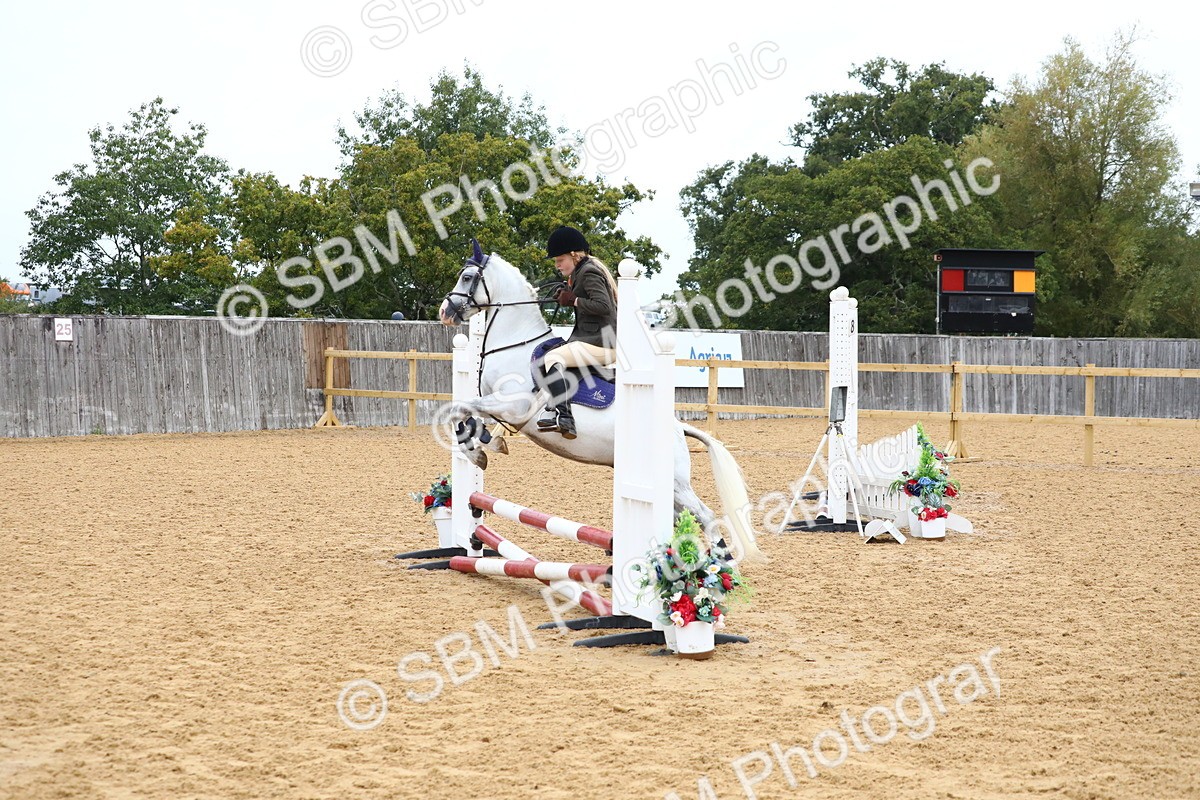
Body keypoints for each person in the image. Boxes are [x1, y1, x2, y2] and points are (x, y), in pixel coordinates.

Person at [536, 225, 619, 439]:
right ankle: (553, 410)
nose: (557, 265)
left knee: (553, 357)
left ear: (574, 255)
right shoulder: (581, 271)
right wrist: (566, 294)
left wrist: (574, 300)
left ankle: (564, 417)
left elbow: (603, 306)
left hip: (603, 343)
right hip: (593, 340)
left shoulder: (589, 271)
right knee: (555, 365)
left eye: (559, 260)